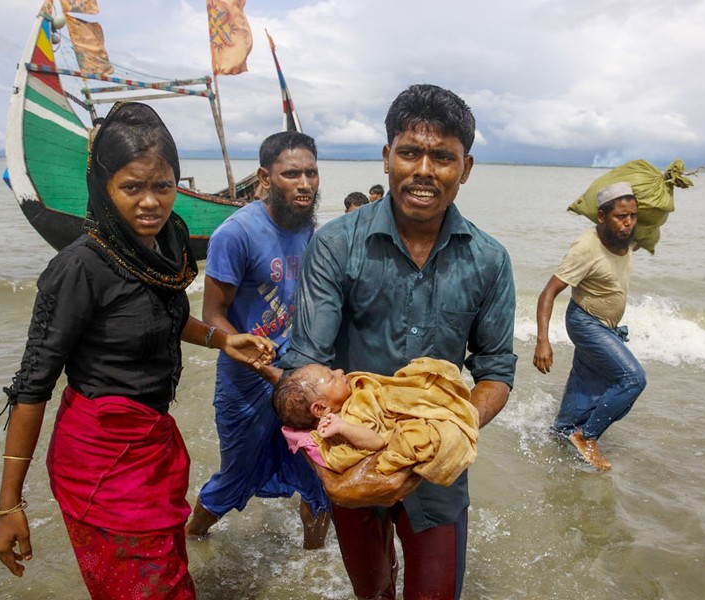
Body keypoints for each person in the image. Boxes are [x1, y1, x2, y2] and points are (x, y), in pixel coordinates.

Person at [0, 101, 276, 599]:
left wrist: (224, 339)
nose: (151, 203)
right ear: (103, 187)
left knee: (165, 570)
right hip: (99, 459)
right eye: (132, 188)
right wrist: (8, 504)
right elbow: (33, 385)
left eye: (163, 187)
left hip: (151, 445)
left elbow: (160, 316)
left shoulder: (167, 242)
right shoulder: (79, 268)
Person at [280, 83, 517, 600]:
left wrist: (450, 430)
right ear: (387, 158)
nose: (424, 170)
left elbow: (496, 370)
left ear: (466, 167)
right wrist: (334, 459)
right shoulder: (337, 244)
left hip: (435, 467)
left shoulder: (489, 261)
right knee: (372, 591)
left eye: (443, 157)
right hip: (351, 455)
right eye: (410, 153)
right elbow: (308, 359)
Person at [185, 131, 330, 547]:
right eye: (291, 174)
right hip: (247, 381)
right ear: (265, 178)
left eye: (311, 173)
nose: (304, 184)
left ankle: (312, 569)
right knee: (235, 478)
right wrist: (265, 368)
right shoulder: (235, 234)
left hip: (295, 376)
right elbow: (211, 315)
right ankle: (193, 540)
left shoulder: (308, 228)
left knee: (319, 477)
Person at [532, 181, 647, 471]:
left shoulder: (626, 239)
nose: (628, 223)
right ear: (601, 217)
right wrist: (542, 341)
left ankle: (563, 437)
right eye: (621, 217)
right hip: (586, 323)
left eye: (632, 216)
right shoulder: (586, 248)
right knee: (633, 379)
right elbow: (548, 292)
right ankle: (587, 436)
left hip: (606, 326)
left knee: (577, 399)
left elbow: (653, 221)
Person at [273, 358, 479, 486]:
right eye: (332, 378)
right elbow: (375, 442)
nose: (340, 372)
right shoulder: (346, 419)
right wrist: (343, 427)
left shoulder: (350, 396)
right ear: (320, 409)